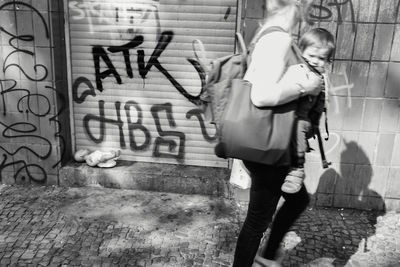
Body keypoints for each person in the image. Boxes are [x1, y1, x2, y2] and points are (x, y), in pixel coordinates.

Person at [232, 0, 323, 266]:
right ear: (292, 5)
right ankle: (260, 257)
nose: (305, 9)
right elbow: (261, 96)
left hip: (270, 143)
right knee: (257, 222)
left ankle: (267, 255)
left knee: (297, 200)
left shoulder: (266, 33)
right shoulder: (278, 40)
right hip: (268, 147)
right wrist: (308, 87)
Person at [281, 28, 335, 194]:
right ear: (301, 51)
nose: (315, 61)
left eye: (321, 58)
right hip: (287, 119)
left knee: (299, 125)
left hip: (303, 121)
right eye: (311, 55)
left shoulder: (319, 76)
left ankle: (297, 168)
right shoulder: (297, 68)